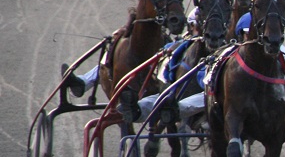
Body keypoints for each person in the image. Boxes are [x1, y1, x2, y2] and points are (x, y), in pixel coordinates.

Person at [63, 7, 201, 99]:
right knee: (116, 55)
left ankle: (85, 82)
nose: (199, 30)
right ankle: (83, 82)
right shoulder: (182, 40)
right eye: (197, 26)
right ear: (191, 26)